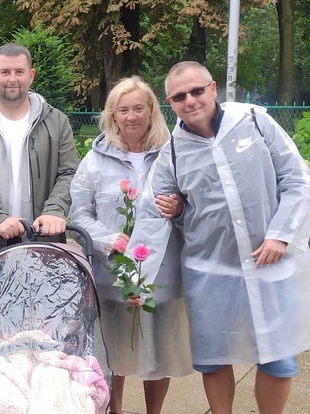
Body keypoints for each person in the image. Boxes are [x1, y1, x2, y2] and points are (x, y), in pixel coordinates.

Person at [127, 61, 310, 414]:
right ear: (170, 102)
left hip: (269, 263)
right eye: (180, 96)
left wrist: (280, 235)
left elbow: (296, 179)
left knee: (278, 358)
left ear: (213, 88)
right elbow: (152, 215)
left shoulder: (254, 121)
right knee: (213, 358)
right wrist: (137, 278)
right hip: (210, 272)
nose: (191, 100)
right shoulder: (174, 152)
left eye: (197, 90)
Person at [69, 76, 193, 414]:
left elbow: (196, 204)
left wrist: (180, 208)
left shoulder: (174, 155)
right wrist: (110, 239)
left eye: (139, 108)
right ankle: (115, 409)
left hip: (162, 271)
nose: (131, 116)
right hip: (113, 273)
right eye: (123, 109)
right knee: (113, 351)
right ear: (112, 115)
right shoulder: (94, 161)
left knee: (159, 349)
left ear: (152, 109)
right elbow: (78, 215)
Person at [0, 43, 80, 285]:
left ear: (31, 75)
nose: (12, 79)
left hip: (46, 244)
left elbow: (69, 172)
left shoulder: (56, 122)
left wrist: (54, 211)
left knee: (46, 321)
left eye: (19, 71)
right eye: (5, 72)